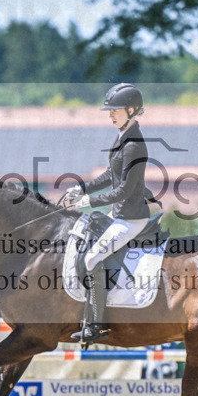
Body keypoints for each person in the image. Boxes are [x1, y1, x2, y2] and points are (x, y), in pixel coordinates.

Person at [62, 83, 150, 345]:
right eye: (109, 111)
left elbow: (124, 190)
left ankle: (98, 325)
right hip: (120, 215)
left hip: (131, 219)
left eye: (116, 110)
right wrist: (83, 187)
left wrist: (89, 201)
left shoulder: (134, 144)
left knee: (91, 258)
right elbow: (110, 176)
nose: (110, 115)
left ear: (131, 110)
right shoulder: (123, 136)